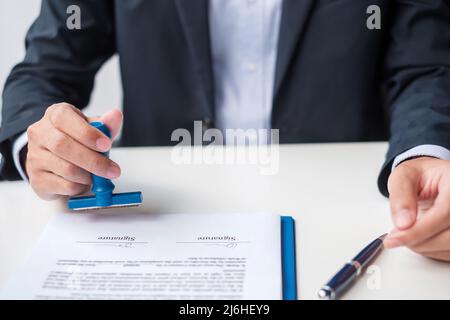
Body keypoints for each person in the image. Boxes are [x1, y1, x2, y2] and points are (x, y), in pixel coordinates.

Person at [1, 0, 450, 261]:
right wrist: (39, 143)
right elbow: (43, 71)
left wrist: (426, 151)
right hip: (159, 227)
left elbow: (427, 65)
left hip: (344, 219)